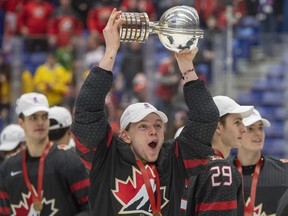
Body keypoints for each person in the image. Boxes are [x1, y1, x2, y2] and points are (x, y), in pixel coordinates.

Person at [71, 8, 219, 215]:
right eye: (143, 126)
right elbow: (87, 110)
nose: (154, 131)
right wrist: (111, 51)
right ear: (124, 135)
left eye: (158, 125)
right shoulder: (106, 157)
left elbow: (206, 117)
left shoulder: (174, 159)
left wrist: (186, 65)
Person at [0, 92, 90, 215]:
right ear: (21, 123)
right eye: (33, 117)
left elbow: (92, 207)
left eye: (44, 117)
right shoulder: (7, 168)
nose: (40, 122)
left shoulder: (70, 160)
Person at [227, 109, 288, 215]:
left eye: (260, 128)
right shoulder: (222, 171)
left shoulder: (284, 170)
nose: (258, 133)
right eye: (250, 129)